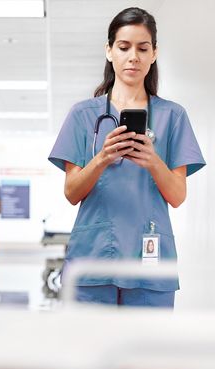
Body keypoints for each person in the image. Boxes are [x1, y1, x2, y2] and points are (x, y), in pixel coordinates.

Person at [48, 7, 205, 307]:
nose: (133, 56)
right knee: (89, 352)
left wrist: (152, 160)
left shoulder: (173, 117)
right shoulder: (82, 115)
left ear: (154, 54)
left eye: (142, 48)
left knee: (147, 354)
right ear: (109, 51)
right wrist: (103, 157)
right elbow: (71, 192)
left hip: (150, 262)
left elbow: (177, 195)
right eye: (124, 47)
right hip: (92, 262)